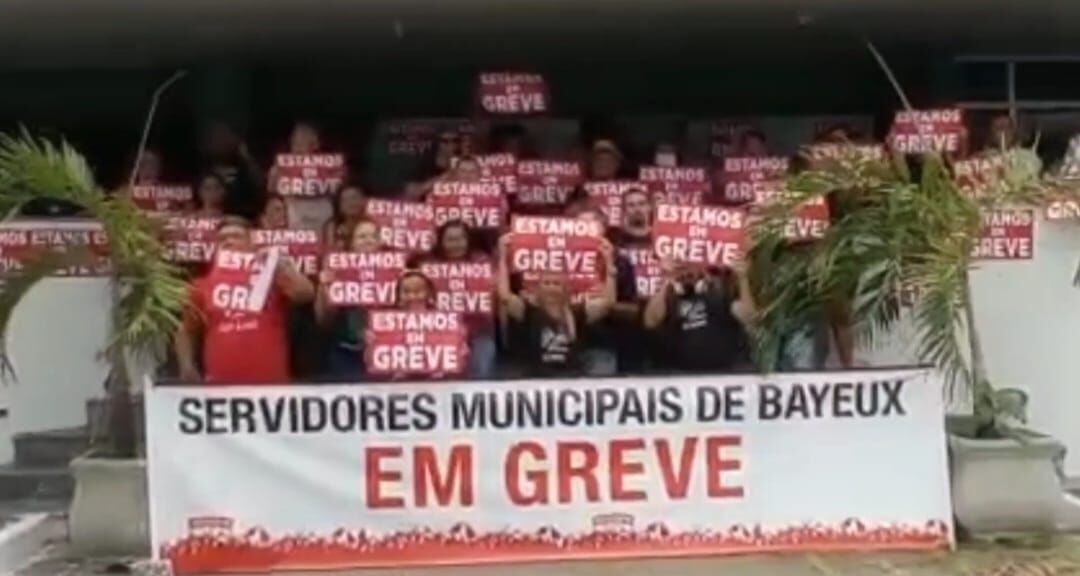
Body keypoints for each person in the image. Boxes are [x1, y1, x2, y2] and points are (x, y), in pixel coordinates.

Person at [175, 217, 315, 383]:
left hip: (271, 383)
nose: (228, 241)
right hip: (220, 386)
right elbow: (186, 330)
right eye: (222, 239)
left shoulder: (270, 276)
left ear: (251, 243)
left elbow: (306, 294)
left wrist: (281, 265)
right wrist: (186, 365)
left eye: (236, 236)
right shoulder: (202, 284)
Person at [497, 233, 616, 377]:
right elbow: (504, 296)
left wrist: (609, 262)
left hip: (571, 376)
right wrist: (502, 257)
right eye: (547, 283)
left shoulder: (576, 312)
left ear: (566, 288)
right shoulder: (528, 311)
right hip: (536, 378)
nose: (551, 287)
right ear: (538, 287)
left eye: (556, 283)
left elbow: (608, 303)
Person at [643, 260, 755, 373]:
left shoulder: (720, 295)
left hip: (723, 372)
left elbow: (750, 319)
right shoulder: (671, 298)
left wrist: (743, 280)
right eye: (681, 271)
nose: (686, 274)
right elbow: (650, 321)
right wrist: (667, 280)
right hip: (683, 374)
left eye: (690, 271)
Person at [426, 220, 497, 379]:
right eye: (450, 240)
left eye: (460, 239)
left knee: (481, 372)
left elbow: (493, 292)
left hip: (478, 333)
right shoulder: (429, 265)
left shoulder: (482, 262)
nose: (456, 244)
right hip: (440, 335)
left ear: (468, 241)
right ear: (441, 242)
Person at [315, 219, 382, 379]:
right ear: (351, 244)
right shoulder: (337, 271)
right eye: (362, 236)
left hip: (386, 353)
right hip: (347, 354)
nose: (368, 240)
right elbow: (323, 319)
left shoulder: (399, 271)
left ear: (380, 242)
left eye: (373, 236)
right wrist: (324, 288)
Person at [575, 208, 635, 376]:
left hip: (602, 343)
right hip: (566, 342)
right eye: (580, 225)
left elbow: (631, 308)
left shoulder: (620, 263)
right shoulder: (560, 258)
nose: (585, 229)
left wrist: (609, 268)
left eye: (590, 225)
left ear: (603, 229)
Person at [200, 121, 264, 220]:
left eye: (224, 137)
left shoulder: (245, 168)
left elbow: (258, 189)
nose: (221, 142)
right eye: (217, 137)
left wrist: (246, 157)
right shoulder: (205, 166)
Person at [323, 184, 367, 250]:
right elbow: (330, 251)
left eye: (354, 198)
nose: (350, 203)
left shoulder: (372, 224)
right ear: (339, 205)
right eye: (345, 200)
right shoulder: (332, 226)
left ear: (363, 200)